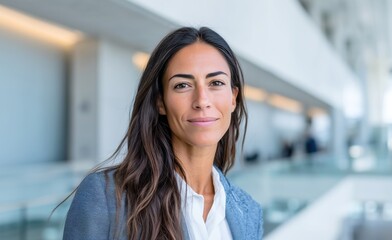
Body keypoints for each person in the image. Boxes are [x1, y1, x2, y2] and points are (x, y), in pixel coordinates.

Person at [62, 27, 263, 240]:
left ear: (233, 98)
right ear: (160, 102)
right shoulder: (105, 197)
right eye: (182, 85)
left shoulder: (250, 212)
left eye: (216, 83)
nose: (202, 100)